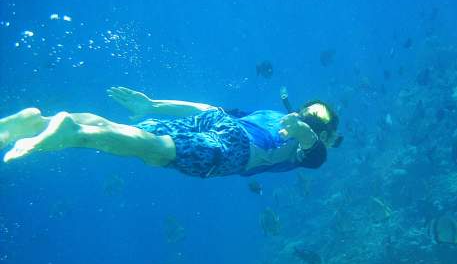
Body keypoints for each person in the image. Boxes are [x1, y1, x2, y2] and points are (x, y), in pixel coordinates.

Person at [0, 87, 341, 178]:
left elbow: (207, 110)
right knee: (153, 149)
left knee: (124, 129)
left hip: (216, 125)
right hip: (235, 149)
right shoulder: (299, 143)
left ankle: (39, 122)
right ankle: (71, 131)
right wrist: (307, 136)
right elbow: (316, 160)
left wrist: (153, 106)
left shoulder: (269, 113)